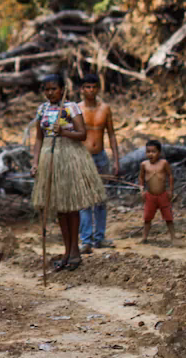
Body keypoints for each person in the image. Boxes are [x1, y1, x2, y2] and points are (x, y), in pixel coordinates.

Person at [30, 73, 103, 267]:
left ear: (62, 90)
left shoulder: (71, 107)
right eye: (46, 89)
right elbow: (38, 137)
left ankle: (75, 252)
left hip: (69, 156)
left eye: (54, 89)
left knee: (71, 206)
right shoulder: (42, 109)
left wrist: (63, 131)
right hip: (50, 157)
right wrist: (35, 161)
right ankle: (67, 251)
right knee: (60, 208)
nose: (50, 93)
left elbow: (82, 134)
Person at [79, 72, 120, 250]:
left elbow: (111, 134)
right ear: (82, 89)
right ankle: (86, 239)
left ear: (98, 88)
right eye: (87, 87)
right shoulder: (77, 109)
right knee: (86, 199)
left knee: (100, 198)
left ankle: (99, 237)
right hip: (83, 156)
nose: (90, 90)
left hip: (101, 156)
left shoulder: (105, 109)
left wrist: (116, 160)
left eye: (94, 87)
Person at [139, 140, 175, 244]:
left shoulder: (164, 163)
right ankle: (144, 238)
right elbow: (141, 177)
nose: (150, 154)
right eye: (148, 151)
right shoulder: (144, 164)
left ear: (159, 152)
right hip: (150, 196)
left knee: (168, 217)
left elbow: (170, 175)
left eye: (153, 151)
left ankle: (173, 237)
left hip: (163, 195)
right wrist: (141, 190)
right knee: (147, 218)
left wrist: (170, 190)